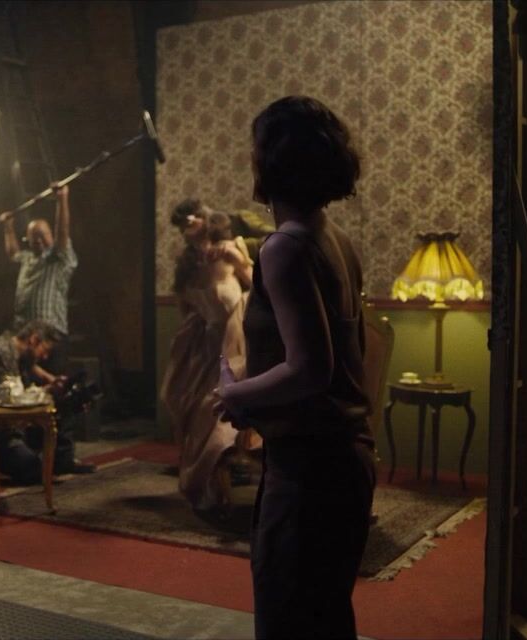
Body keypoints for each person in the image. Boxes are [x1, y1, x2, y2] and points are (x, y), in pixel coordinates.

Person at [215, 96, 376, 639]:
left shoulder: (284, 247)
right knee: (326, 619)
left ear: (271, 161)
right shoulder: (336, 240)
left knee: (290, 622)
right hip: (345, 459)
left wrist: (237, 395)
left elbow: (310, 370)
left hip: (310, 471)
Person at [161, 207, 260, 512]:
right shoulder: (188, 263)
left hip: (235, 346)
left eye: (194, 215)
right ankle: (210, 486)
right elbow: (185, 306)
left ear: (206, 218)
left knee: (213, 408)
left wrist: (238, 261)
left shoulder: (231, 248)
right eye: (182, 221)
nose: (189, 222)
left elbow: (260, 287)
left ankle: (210, 479)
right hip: (204, 346)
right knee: (181, 398)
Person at [0, 320, 93, 483]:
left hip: (16, 427)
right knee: (33, 469)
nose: (45, 357)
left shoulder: (22, 357)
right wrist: (47, 392)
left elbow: (26, 393)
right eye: (45, 350)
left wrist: (57, 390)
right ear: (34, 340)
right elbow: (12, 402)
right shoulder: (0, 353)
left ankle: (62, 461)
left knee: (64, 402)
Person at [0, 183, 77, 382]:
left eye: (43, 236)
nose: (39, 241)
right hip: (27, 339)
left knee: (54, 388)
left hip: (51, 339)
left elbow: (62, 233)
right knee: (26, 388)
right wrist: (8, 228)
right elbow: (13, 253)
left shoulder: (58, 259)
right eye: (34, 238)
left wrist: (62, 200)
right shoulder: (27, 259)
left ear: (51, 236)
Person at [171, 198, 277, 259]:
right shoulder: (193, 250)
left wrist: (237, 245)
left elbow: (275, 238)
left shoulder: (240, 218)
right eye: (183, 230)